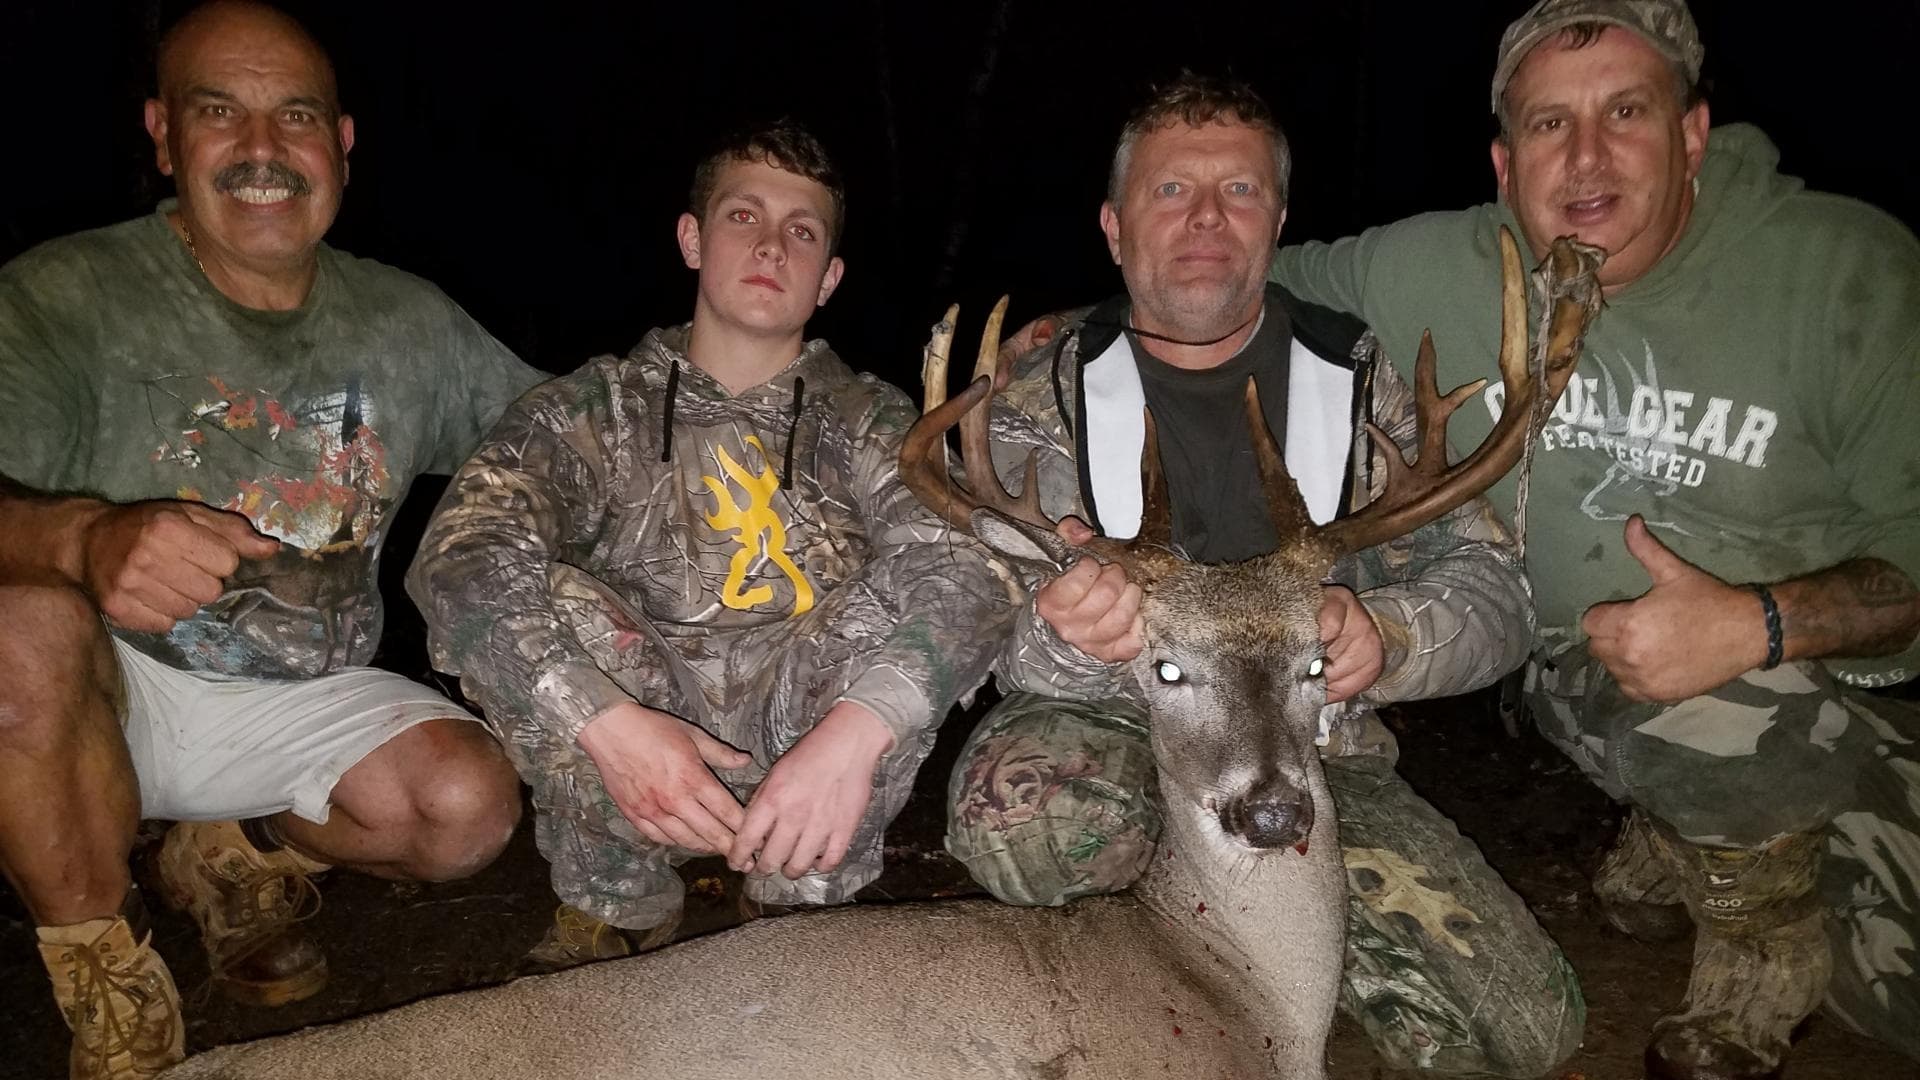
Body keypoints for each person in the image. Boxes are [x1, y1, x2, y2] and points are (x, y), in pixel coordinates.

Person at [1268, 1, 1920, 1075]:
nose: (1585, 158)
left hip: (1830, 676)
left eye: (1625, 112)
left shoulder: (1849, 272)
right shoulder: (1435, 265)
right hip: (1613, 674)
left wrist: (1762, 621)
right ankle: (1757, 971)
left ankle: (1679, 839)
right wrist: (1086, 325)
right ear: (1504, 160)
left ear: (1692, 134)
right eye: (1548, 123)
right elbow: (1235, 277)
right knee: (1739, 726)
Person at [945, 73, 1584, 1078]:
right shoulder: (1035, 396)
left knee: (1525, 1031)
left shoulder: (1361, 383)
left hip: (1314, 748)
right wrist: (1068, 638)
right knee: (1023, 818)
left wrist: (1393, 635)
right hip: (1114, 726)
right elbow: (977, 618)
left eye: (1238, 191)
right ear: (1114, 227)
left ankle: (1276, 975)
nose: (1206, 217)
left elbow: (1497, 594)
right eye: (1171, 190)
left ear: (1278, 222)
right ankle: (1135, 1037)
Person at [0, 2, 545, 1077]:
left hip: (298, 694)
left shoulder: (406, 318)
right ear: (163, 135)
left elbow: (572, 439)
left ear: (341, 144)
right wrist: (81, 537)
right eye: (220, 112)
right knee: (17, 630)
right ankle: (108, 976)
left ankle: (234, 851)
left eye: (295, 116)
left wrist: (746, 399)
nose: (262, 149)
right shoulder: (61, 296)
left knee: (465, 807)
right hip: (107, 688)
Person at [407, 121, 1015, 969]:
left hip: (806, 739)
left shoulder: (872, 420)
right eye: (743, 216)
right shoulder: (596, 407)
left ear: (829, 278)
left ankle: (800, 897)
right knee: (542, 597)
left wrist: (857, 731)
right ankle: (619, 900)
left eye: (802, 231)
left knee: (916, 596)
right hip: (638, 745)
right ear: (692, 239)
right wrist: (607, 722)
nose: (771, 245)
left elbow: (970, 571)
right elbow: (460, 556)